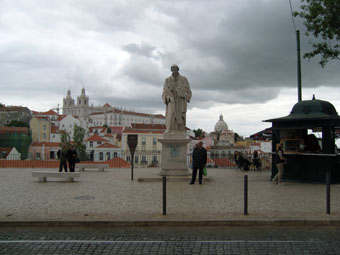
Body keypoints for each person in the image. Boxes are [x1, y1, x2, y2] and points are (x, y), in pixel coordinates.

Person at [162, 64, 192, 134]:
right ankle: (170, 130)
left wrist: (184, 95)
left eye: (175, 68)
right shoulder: (167, 80)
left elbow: (189, 91)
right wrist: (168, 98)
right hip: (171, 101)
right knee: (171, 116)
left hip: (181, 101)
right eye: (172, 68)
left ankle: (180, 130)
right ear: (171, 70)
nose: (174, 70)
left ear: (178, 69)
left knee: (181, 116)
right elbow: (164, 93)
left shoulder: (184, 79)